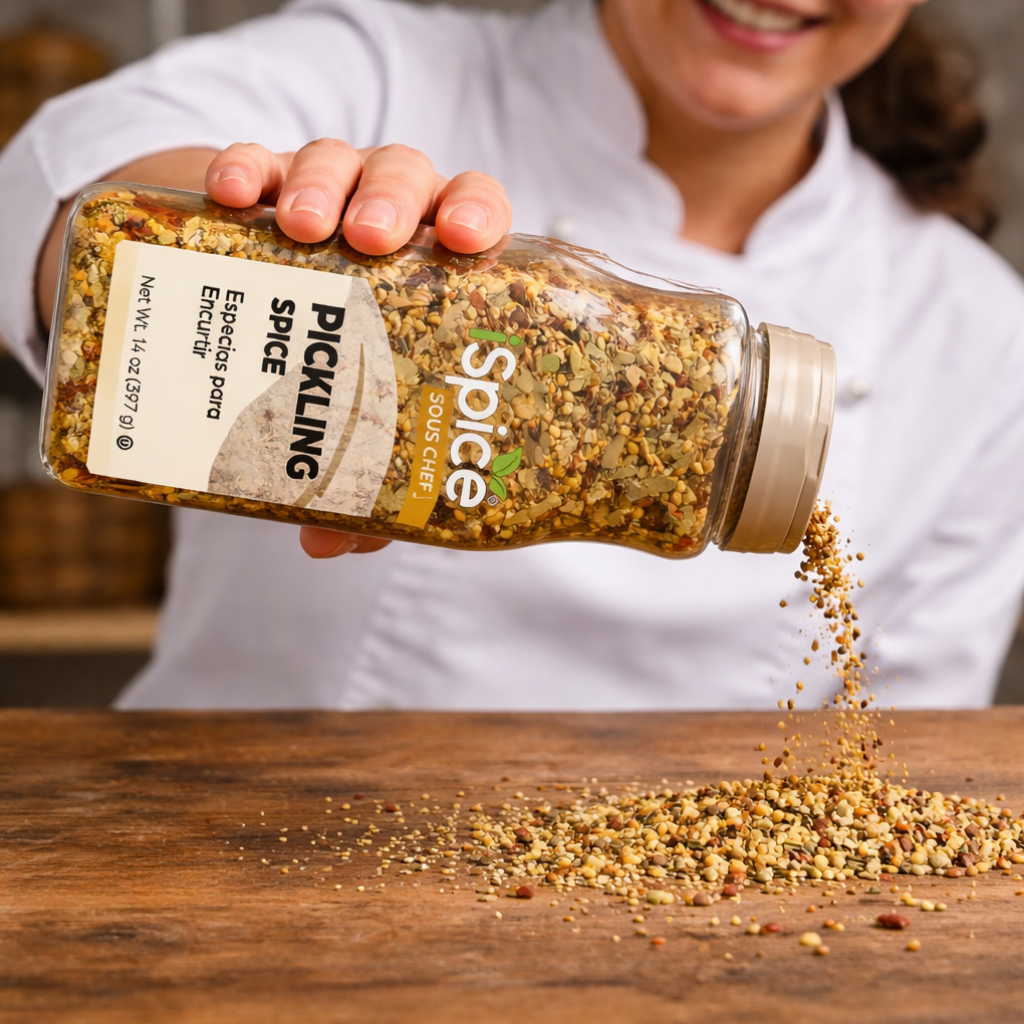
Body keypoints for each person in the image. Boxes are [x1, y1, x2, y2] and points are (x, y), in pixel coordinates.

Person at [2, 0, 1023, 710]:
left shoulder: (980, 333)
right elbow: (59, 170)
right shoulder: (381, 68)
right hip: (216, 863)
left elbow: (911, 747)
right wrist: (232, 240)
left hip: (661, 930)